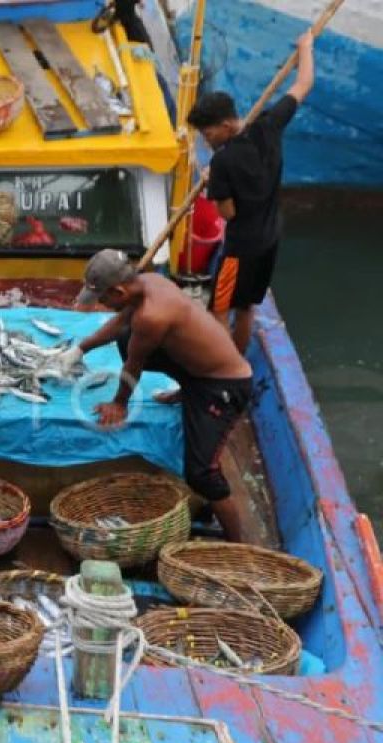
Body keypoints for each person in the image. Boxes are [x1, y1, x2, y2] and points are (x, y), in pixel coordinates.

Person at [58, 249, 253, 542]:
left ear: (118, 291)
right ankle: (184, 392)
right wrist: (80, 349)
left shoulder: (152, 316)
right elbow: (122, 322)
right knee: (126, 337)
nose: (100, 304)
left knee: (201, 473)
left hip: (222, 387)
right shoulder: (149, 281)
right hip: (196, 373)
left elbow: (132, 366)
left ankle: (237, 543)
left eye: (102, 299)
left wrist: (119, 403)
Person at [187, 31, 315, 354]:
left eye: (207, 132)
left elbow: (227, 214)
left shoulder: (223, 162)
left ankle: (224, 366)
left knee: (217, 308)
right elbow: (302, 85)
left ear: (226, 125)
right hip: (270, 238)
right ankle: (238, 362)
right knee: (246, 308)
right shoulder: (268, 126)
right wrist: (306, 48)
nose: (205, 139)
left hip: (241, 248)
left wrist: (211, 187)